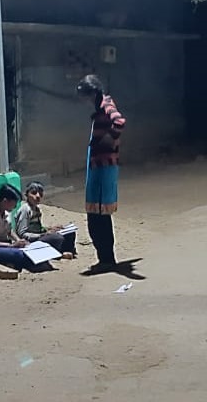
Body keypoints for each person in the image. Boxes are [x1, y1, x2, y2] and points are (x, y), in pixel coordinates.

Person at [77, 74, 125, 268]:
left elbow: (119, 121)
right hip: (100, 164)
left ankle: (106, 258)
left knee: (97, 216)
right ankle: (105, 257)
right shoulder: (102, 105)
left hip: (103, 166)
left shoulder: (106, 105)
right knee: (98, 215)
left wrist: (108, 139)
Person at [0, 184, 47, 272]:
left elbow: (9, 231)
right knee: (19, 254)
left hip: (7, 244)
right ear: (5, 201)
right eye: (14, 203)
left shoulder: (6, 212)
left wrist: (18, 240)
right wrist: (11, 245)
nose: (15, 207)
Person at [13, 181, 77, 259]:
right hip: (31, 242)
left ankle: (67, 250)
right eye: (33, 193)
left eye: (40, 194)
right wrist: (42, 235)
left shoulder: (37, 209)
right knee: (57, 238)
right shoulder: (25, 210)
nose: (37, 196)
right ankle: (59, 253)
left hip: (39, 236)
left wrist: (50, 229)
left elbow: (38, 227)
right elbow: (22, 233)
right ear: (26, 195)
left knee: (70, 232)